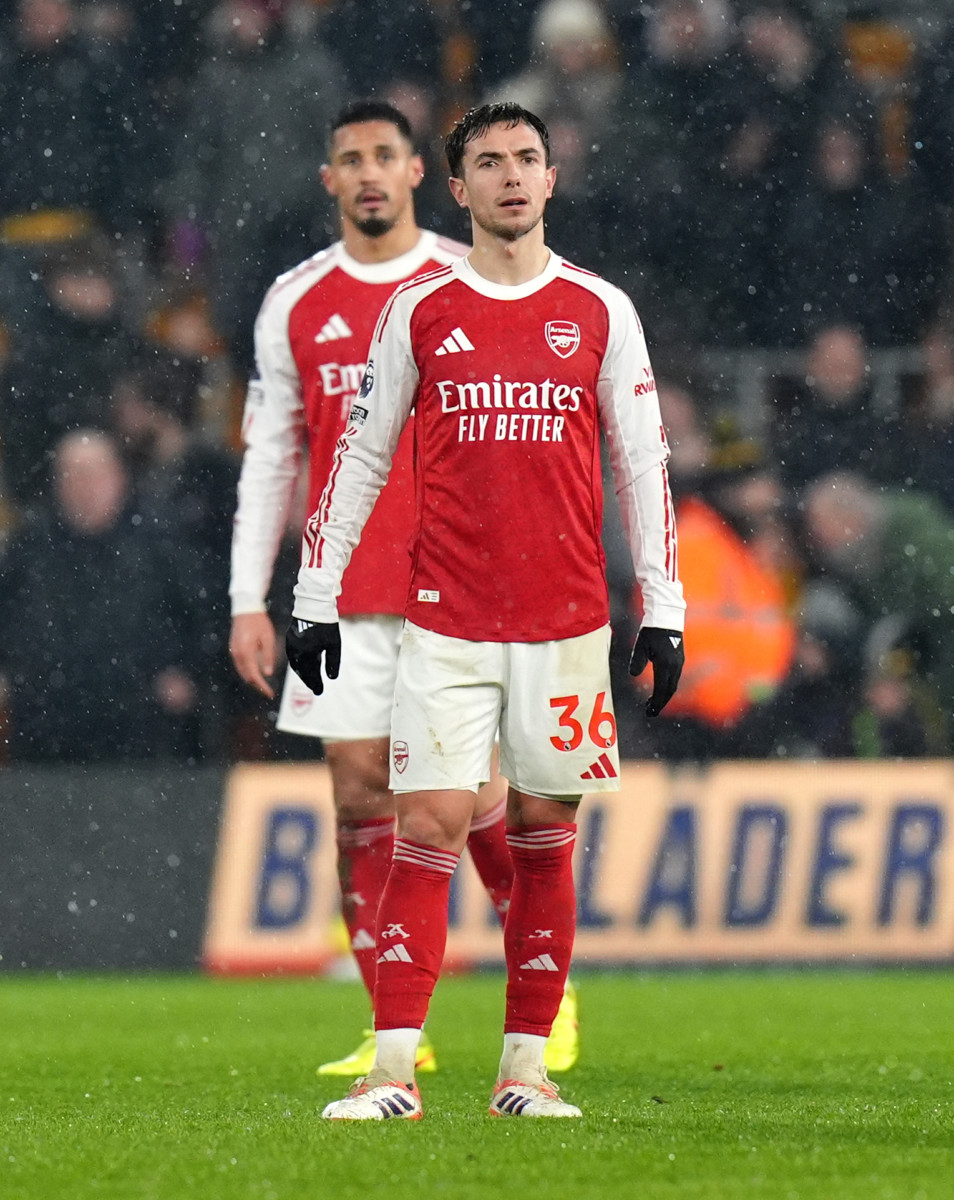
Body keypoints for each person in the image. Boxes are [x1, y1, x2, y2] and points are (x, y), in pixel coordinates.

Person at [287, 102, 685, 1120]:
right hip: (445, 624)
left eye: (528, 159)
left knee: (546, 833)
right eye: (491, 163)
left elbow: (643, 463)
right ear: (457, 189)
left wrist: (665, 605)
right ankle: (391, 1074)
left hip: (568, 629)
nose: (512, 176)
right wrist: (316, 597)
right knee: (427, 824)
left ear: (551, 179)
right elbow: (360, 457)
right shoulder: (419, 310)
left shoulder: (601, 309)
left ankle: (524, 1073)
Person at [228, 100, 578, 1078]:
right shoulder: (294, 301)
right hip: (344, 586)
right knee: (356, 792)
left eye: (386, 154)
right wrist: (249, 598)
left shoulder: (466, 276)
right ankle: (394, 1025)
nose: (370, 172)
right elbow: (272, 457)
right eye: (352, 159)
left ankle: (546, 993)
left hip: (454, 580)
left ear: (420, 171)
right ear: (330, 180)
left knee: (478, 795)